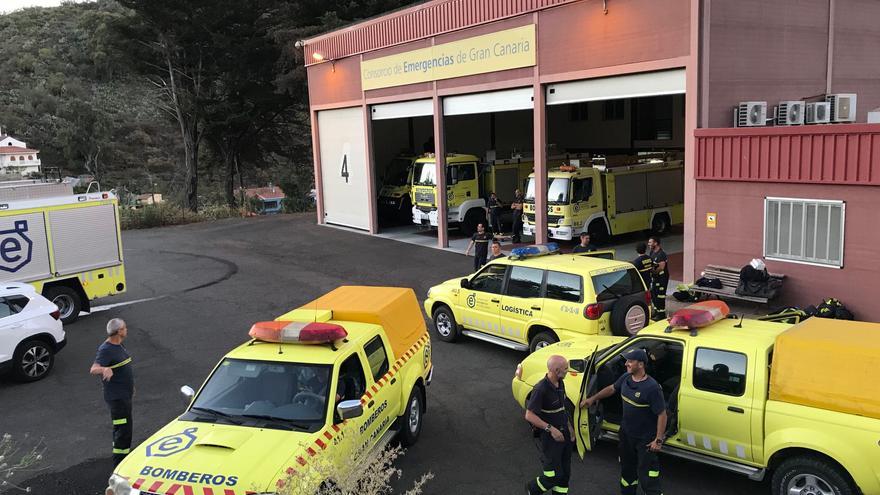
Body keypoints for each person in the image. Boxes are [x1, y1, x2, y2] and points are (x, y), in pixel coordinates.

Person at [581, 348, 666, 495]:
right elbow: (612, 388)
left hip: (645, 439)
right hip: (626, 434)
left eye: (630, 361)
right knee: (627, 469)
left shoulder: (652, 388)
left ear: (640, 365)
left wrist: (658, 440)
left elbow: (662, 415)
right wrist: (592, 399)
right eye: (626, 361)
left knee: (647, 474)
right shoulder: (626, 377)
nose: (626, 363)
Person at [525, 355, 575, 495]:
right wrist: (550, 429)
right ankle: (531, 489)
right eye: (565, 368)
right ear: (556, 370)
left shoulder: (560, 383)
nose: (568, 371)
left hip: (564, 434)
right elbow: (529, 415)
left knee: (564, 475)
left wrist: (570, 428)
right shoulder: (541, 389)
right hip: (550, 439)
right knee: (552, 476)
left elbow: (562, 408)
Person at [90, 318, 134, 467]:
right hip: (117, 399)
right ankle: (119, 466)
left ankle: (123, 462)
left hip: (124, 395)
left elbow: (123, 367)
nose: (127, 330)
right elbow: (93, 368)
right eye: (125, 328)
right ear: (119, 331)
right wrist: (104, 369)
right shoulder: (106, 349)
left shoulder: (119, 345)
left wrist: (131, 387)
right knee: (123, 431)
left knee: (124, 430)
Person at [647, 236, 669, 321]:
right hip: (655, 277)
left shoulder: (661, 254)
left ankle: (661, 315)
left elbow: (661, 267)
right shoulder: (652, 252)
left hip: (662, 278)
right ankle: (656, 311)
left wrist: (652, 271)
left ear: (655, 243)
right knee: (654, 294)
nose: (649, 244)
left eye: (650, 242)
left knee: (660, 296)